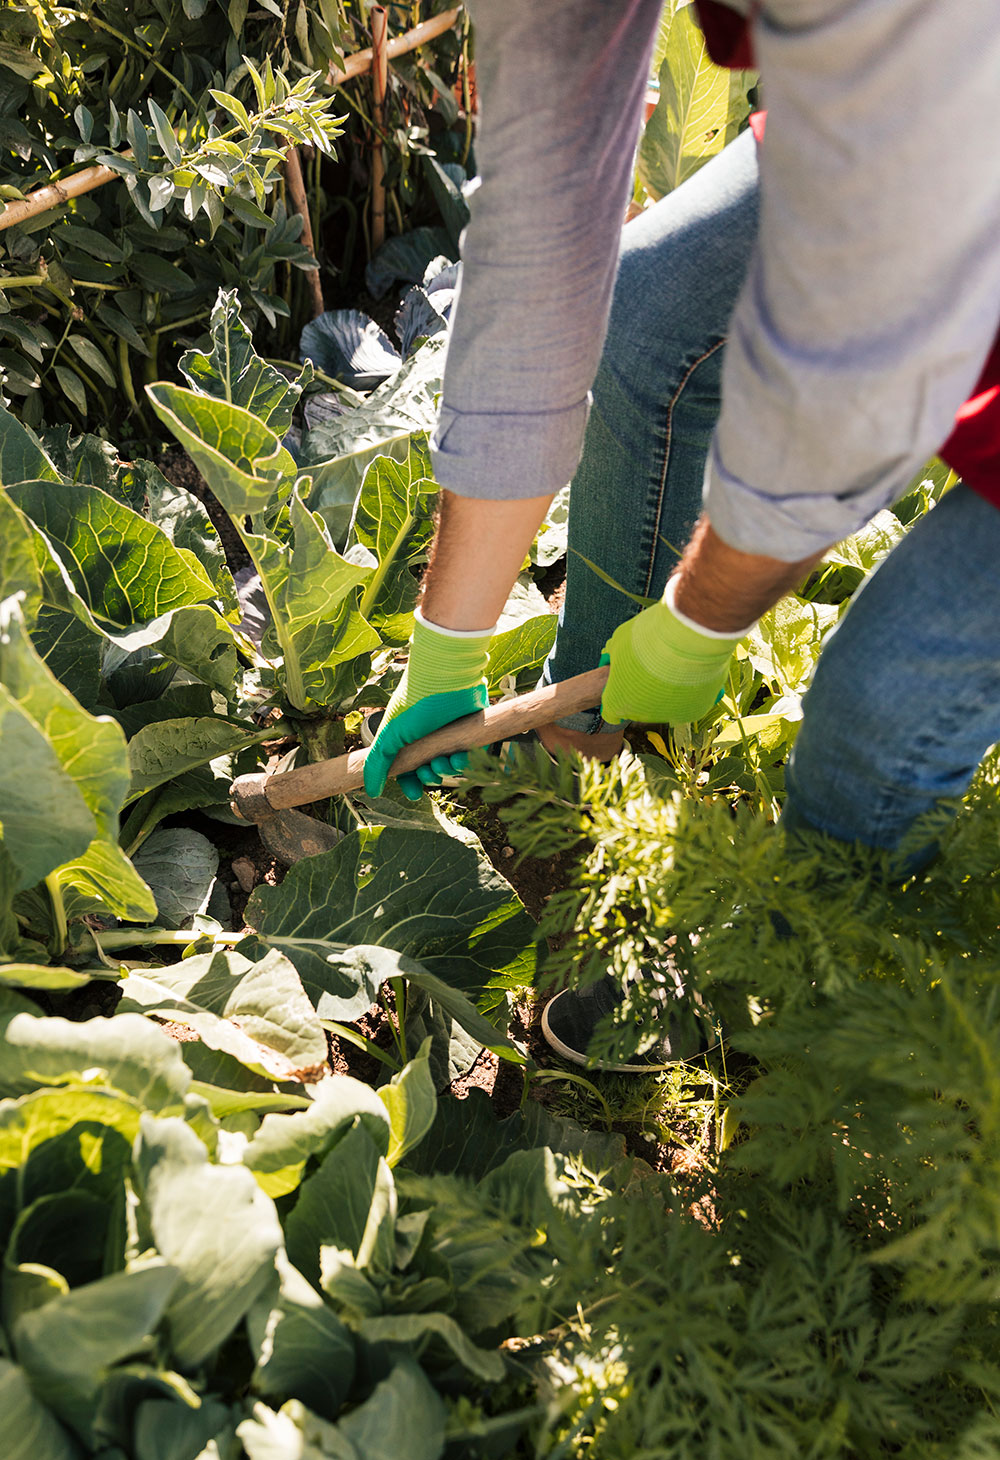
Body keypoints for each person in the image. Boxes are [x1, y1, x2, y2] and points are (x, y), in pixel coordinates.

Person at [363, 0, 1000, 1065]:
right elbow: (538, 223)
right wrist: (448, 644)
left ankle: (787, 990)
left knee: (882, 700)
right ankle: (606, 781)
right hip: (911, 128)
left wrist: (694, 629)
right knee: (650, 318)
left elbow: (850, 380)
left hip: (941, 119)